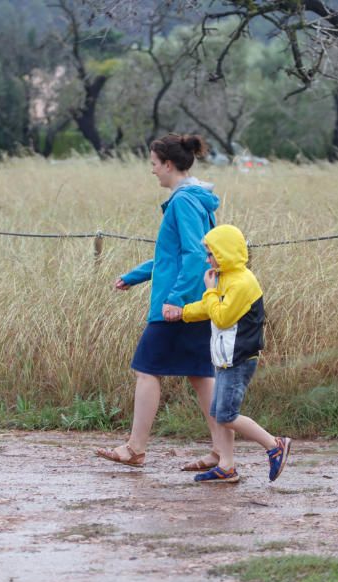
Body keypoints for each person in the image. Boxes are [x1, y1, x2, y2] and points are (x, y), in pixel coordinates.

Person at [94, 134, 226, 468]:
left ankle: (135, 448)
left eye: (153, 163)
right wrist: (135, 275)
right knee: (201, 376)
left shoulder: (183, 201)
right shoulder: (196, 199)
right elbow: (174, 255)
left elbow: (195, 254)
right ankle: (222, 454)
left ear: (168, 164)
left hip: (177, 306)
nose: (152, 170)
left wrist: (174, 299)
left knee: (146, 369)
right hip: (196, 300)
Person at [176, 224, 291, 483]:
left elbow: (222, 316)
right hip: (225, 358)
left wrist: (210, 289)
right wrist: (183, 313)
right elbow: (211, 308)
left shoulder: (241, 282)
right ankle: (226, 466)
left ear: (225, 252)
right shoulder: (225, 277)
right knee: (219, 412)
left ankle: (275, 445)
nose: (207, 259)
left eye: (211, 253)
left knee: (227, 414)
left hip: (238, 359)